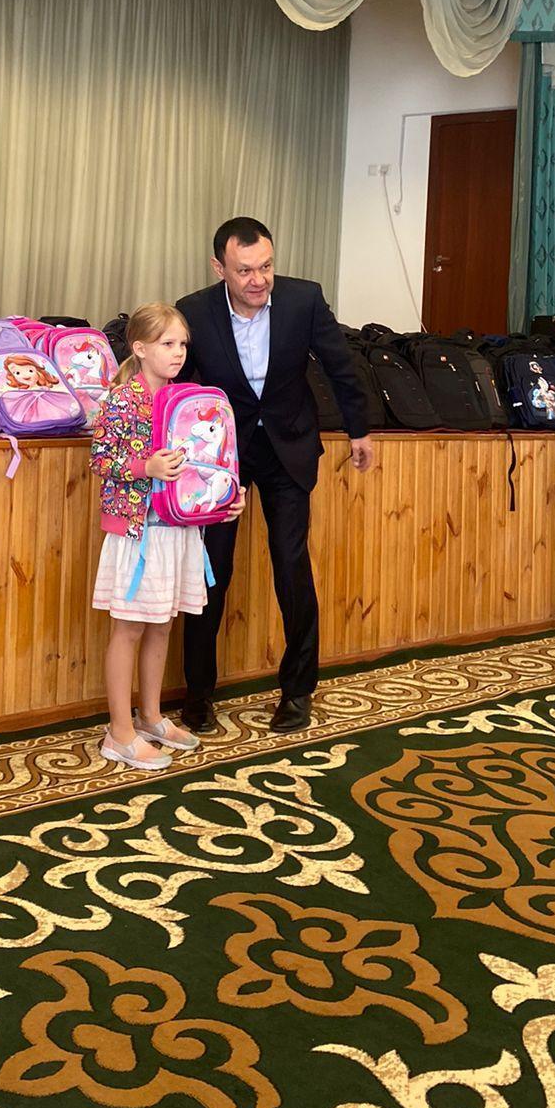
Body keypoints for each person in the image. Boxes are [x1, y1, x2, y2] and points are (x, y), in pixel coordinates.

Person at [177, 217, 374, 734]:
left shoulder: (304, 300)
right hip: (223, 455)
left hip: (289, 447)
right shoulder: (194, 311)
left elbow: (341, 366)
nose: (258, 279)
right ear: (219, 268)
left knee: (291, 565)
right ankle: (197, 695)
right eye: (245, 270)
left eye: (265, 266)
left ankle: (298, 690)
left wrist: (358, 430)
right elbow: (178, 383)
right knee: (211, 571)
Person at [89, 303, 245, 770]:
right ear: (139, 348)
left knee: (163, 624)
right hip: (138, 533)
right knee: (129, 628)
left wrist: (224, 497)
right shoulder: (121, 399)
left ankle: (151, 716)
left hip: (179, 529)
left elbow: (208, 462)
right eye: (167, 344)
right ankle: (119, 732)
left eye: (182, 344)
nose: (178, 353)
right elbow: (100, 459)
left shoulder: (189, 401)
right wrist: (146, 467)